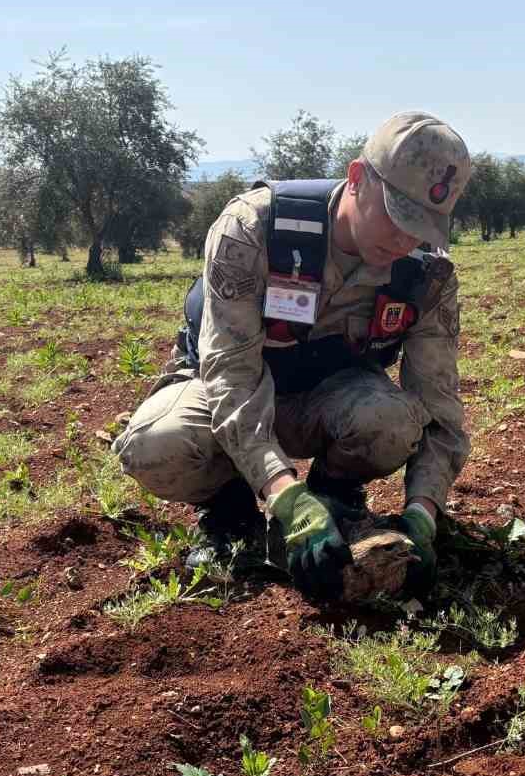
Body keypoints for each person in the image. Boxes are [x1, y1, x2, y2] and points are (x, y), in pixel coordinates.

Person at [115, 110, 471, 600]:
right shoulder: (254, 227)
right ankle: (232, 516)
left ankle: (337, 501)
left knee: (391, 421)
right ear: (357, 178)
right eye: (397, 215)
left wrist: (423, 513)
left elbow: (440, 408)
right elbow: (232, 377)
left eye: (424, 226)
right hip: (232, 391)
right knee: (156, 445)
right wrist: (284, 495)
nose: (406, 239)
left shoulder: (426, 275)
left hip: (329, 399)